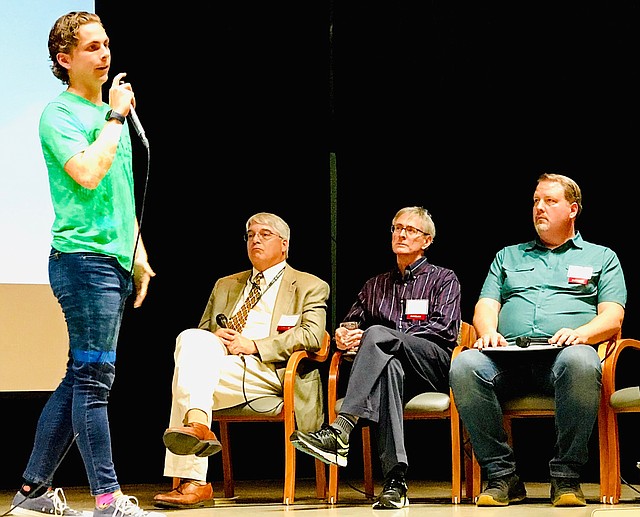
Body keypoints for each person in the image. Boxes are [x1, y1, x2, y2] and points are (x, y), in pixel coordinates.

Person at [10, 11, 159, 517]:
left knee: (80, 378)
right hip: (81, 261)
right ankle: (107, 497)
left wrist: (137, 254)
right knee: (95, 380)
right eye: (92, 48)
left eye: (106, 44)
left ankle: (32, 491)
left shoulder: (110, 117)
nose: (104, 54)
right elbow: (90, 174)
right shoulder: (60, 115)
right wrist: (114, 118)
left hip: (113, 260)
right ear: (65, 59)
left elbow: (121, 194)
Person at [449, 173, 627, 507]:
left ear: (572, 209)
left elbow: (613, 316)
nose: (539, 208)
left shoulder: (601, 257)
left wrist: (582, 334)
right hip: (507, 360)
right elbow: (486, 305)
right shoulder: (508, 256)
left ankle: (566, 478)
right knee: (465, 364)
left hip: (562, 359)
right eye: (535, 201)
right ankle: (502, 476)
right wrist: (488, 331)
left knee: (582, 359)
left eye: (549, 201)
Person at [153, 212, 330, 509]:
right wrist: (217, 335)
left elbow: (313, 336)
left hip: (271, 370)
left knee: (186, 378)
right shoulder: (226, 284)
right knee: (189, 341)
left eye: (264, 234)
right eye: (250, 235)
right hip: (223, 366)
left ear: (284, 245)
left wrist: (254, 345)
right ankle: (198, 428)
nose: (255, 240)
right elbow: (202, 332)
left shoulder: (309, 285)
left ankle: (193, 481)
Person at [290, 206, 461, 509]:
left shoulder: (444, 279)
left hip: (430, 364)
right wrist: (343, 335)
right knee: (389, 368)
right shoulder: (374, 285)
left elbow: (444, 329)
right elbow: (350, 323)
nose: (401, 234)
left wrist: (388, 336)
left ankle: (342, 428)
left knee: (380, 336)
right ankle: (395, 482)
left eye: (410, 230)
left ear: (427, 240)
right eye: (397, 228)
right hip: (389, 366)